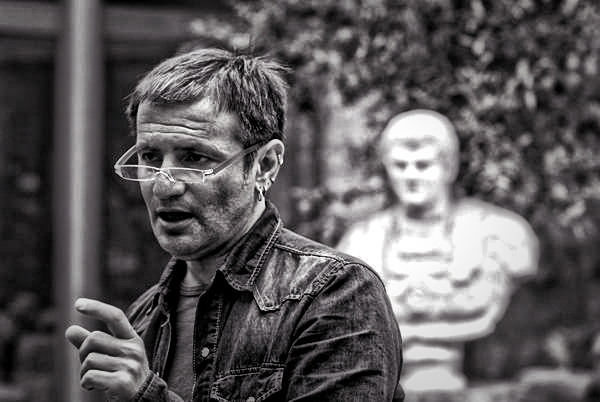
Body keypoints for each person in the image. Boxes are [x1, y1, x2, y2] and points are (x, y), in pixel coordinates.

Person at [64, 48, 403, 402]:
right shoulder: (145, 317)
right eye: (150, 157)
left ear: (265, 165)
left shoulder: (333, 294)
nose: (164, 186)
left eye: (194, 158)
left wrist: (148, 395)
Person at [337, 109, 539, 394]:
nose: (411, 176)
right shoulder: (360, 242)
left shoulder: (502, 234)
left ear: (449, 167)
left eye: (423, 165)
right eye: (400, 165)